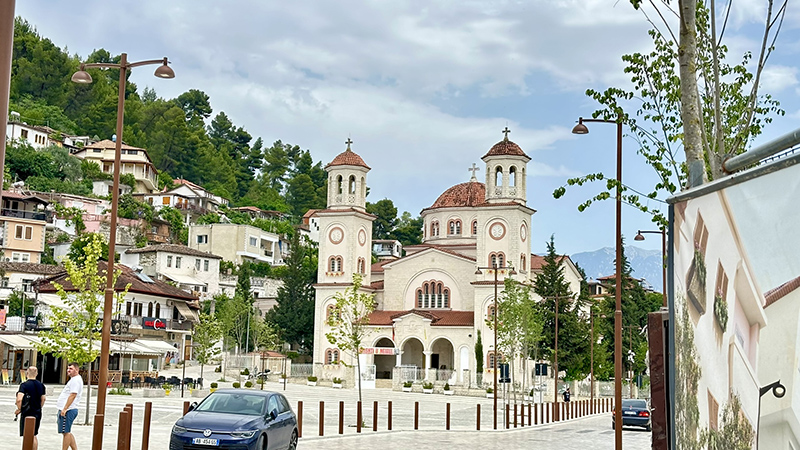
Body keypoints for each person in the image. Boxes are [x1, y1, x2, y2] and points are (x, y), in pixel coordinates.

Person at [16, 366, 46, 450]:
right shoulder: (41, 385)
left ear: (27, 373)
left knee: (27, 434)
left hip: (27, 412)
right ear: (36, 374)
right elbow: (43, 398)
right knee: (34, 434)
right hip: (37, 412)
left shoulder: (24, 385)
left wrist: (19, 409)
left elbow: (19, 399)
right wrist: (39, 407)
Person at [56, 362, 82, 450]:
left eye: (71, 369)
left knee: (66, 432)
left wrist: (65, 408)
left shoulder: (75, 380)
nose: (68, 370)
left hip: (69, 410)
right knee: (66, 431)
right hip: (68, 409)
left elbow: (73, 395)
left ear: (77, 370)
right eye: (68, 368)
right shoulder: (74, 379)